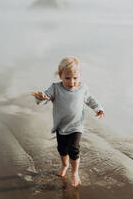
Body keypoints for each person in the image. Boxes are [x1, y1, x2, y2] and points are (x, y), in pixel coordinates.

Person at [31, 56, 105, 187]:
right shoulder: (55, 88)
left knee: (73, 148)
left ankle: (75, 172)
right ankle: (65, 165)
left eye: (75, 78)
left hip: (77, 126)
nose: (72, 82)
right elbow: (45, 97)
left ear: (79, 76)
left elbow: (91, 99)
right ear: (60, 76)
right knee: (62, 149)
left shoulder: (82, 88)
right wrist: (40, 97)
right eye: (67, 78)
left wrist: (98, 108)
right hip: (61, 126)